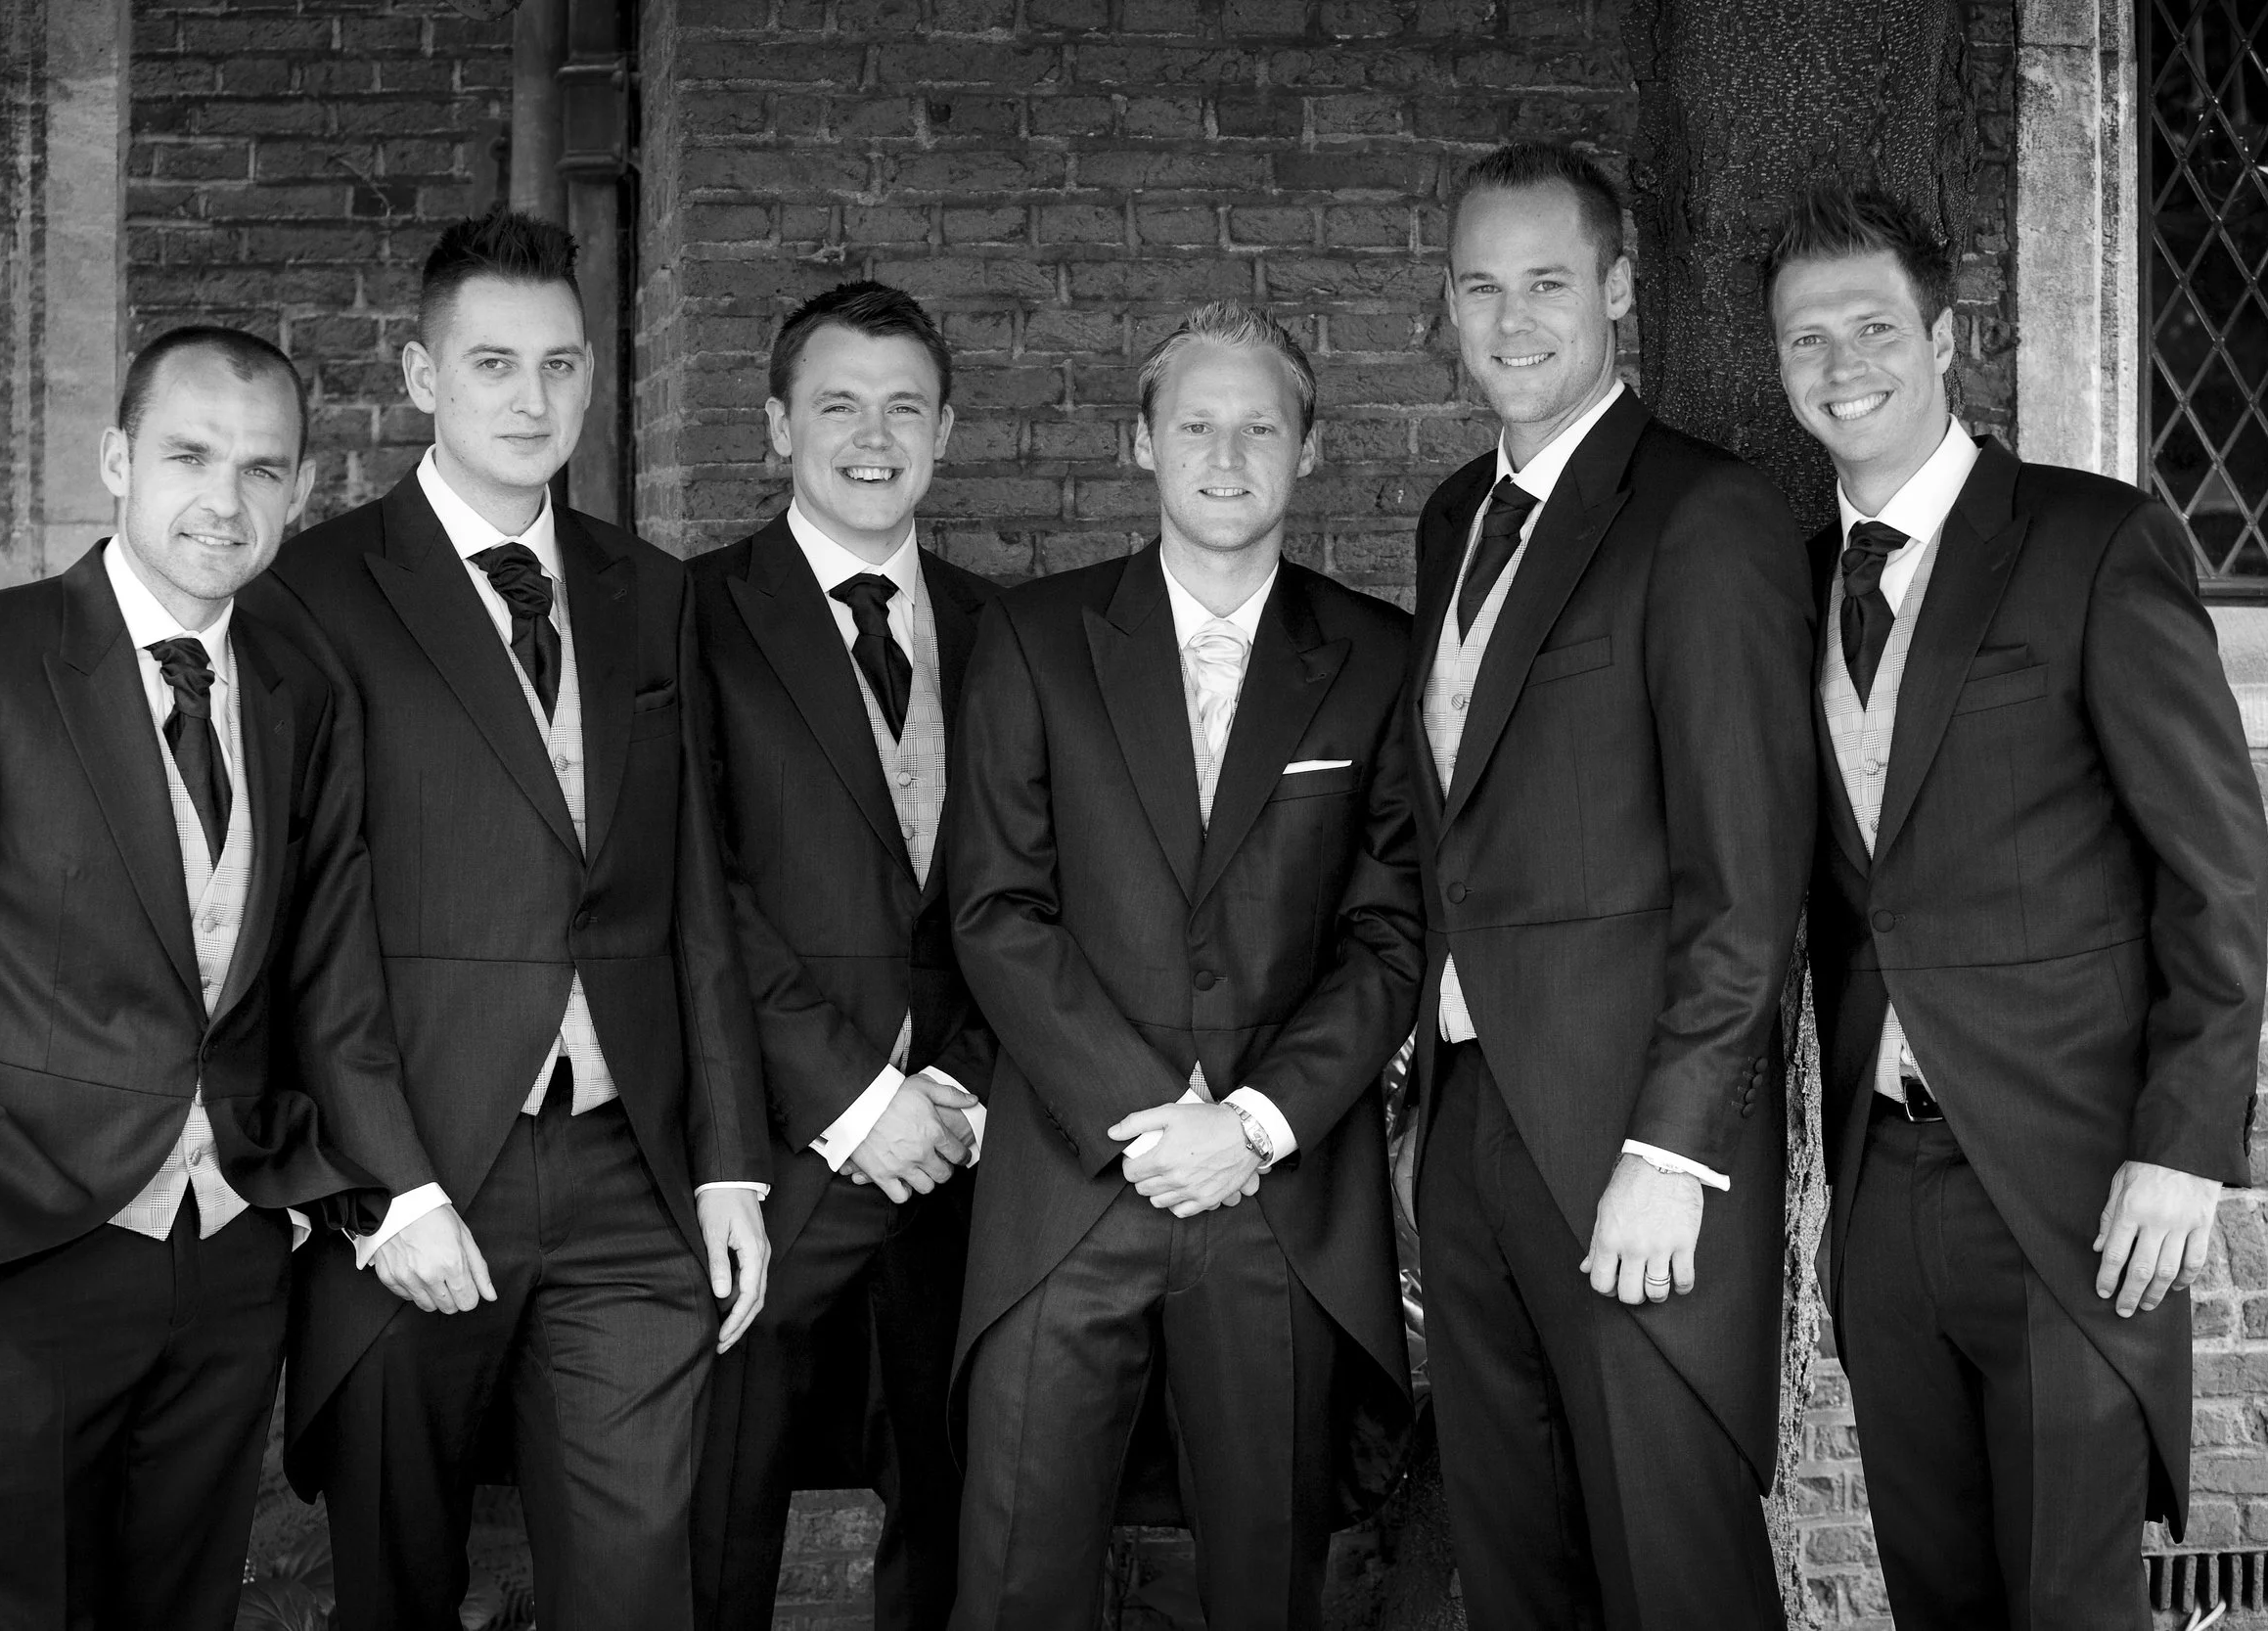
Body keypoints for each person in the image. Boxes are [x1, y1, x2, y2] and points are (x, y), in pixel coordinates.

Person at [247, 208, 773, 1630]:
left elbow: (698, 901)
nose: (531, 400)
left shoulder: (652, 592)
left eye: (560, 366)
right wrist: (381, 1182)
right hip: (422, 1174)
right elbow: (305, 921)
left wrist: (730, 1161)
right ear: (422, 377)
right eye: (492, 364)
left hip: (629, 1175)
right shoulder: (313, 590)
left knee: (634, 1589)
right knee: (400, 1585)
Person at [0, 327, 418, 1629]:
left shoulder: (296, 687)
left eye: (265, 469)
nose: (226, 498)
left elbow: (309, 969)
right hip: (18, 1254)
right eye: (190, 454)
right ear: (116, 459)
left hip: (227, 1259)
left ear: (300, 490)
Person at [1769, 183, 2268, 1630]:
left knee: (2067, 1604)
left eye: (1872, 325)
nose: (1841, 361)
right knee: (1940, 1600)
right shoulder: (1786, 588)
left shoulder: (2092, 542)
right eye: (1807, 338)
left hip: (2070, 1187)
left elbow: (2216, 861)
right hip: (1886, 1193)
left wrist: (2183, 1146)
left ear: (1945, 333)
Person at [945, 300, 1422, 1631]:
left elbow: (1390, 931)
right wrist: (1153, 1122)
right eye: (1195, 424)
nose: (1227, 453)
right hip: (1070, 1187)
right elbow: (995, 906)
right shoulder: (1034, 642)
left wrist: (1251, 1127)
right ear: (1139, 442)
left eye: (1259, 426)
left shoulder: (1378, 659)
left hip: (1277, 1204)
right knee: (1016, 1580)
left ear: (1309, 449)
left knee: (1265, 1584)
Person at [1407, 141, 1815, 1628]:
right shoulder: (1455, 516)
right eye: (1480, 289)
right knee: (1519, 1562)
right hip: (1466, 1123)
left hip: (1630, 1147)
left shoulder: (1703, 515)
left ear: (1621, 290)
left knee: (1671, 1565)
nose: (1512, 322)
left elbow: (1746, 874)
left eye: (1549, 284)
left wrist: (1674, 1149)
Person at [687, 281, 1000, 1631]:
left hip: (963, 1159)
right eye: (836, 405)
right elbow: (696, 894)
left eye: (902, 406)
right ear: (777, 426)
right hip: (773, 1150)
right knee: (722, 1510)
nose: (872, 436)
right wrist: (859, 1101)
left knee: (954, 1515)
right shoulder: (692, 616)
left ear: (943, 429)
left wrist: (962, 1092)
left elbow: (1041, 895)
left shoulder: (1012, 633)